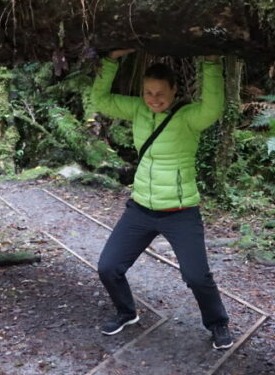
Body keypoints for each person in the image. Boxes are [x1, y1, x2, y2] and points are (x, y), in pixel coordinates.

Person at [91, 49, 233, 350]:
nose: (154, 99)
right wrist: (110, 60)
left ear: (174, 90)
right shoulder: (137, 110)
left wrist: (210, 62)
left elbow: (213, 107)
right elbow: (100, 100)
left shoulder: (189, 117)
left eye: (160, 93)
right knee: (108, 267)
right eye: (148, 93)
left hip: (180, 212)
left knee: (196, 276)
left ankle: (217, 323)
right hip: (140, 209)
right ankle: (126, 312)